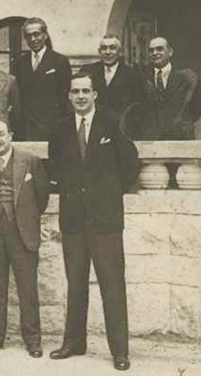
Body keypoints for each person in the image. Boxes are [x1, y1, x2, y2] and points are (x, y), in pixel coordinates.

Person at [48, 73, 139, 371]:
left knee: (112, 285)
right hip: (73, 219)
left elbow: (130, 163)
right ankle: (74, 342)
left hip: (105, 220)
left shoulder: (112, 123)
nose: (81, 96)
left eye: (86, 91)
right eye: (75, 91)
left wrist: (109, 192)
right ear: (69, 95)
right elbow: (56, 168)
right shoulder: (60, 129)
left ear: (95, 94)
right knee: (76, 283)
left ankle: (120, 351)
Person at [0, 119, 48, 358]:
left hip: (22, 234)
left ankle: (33, 340)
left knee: (28, 290)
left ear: (11, 135)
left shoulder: (30, 161)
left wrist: (25, 219)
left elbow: (42, 197)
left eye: (1, 134)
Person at [133, 36, 201, 140]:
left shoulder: (186, 77)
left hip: (180, 139)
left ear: (170, 52)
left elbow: (198, 108)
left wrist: (182, 124)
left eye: (159, 49)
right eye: (151, 50)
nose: (154, 53)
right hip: (152, 140)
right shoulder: (141, 78)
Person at [15, 17, 72, 141]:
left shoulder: (60, 61)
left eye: (36, 34)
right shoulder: (20, 63)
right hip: (27, 128)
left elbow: (65, 97)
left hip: (52, 127)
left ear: (45, 35)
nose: (33, 39)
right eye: (28, 36)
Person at [78, 34, 139, 121]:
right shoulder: (87, 70)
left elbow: (136, 107)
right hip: (94, 123)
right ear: (99, 51)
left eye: (112, 48)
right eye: (104, 48)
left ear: (120, 52)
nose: (108, 52)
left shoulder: (132, 75)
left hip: (120, 124)